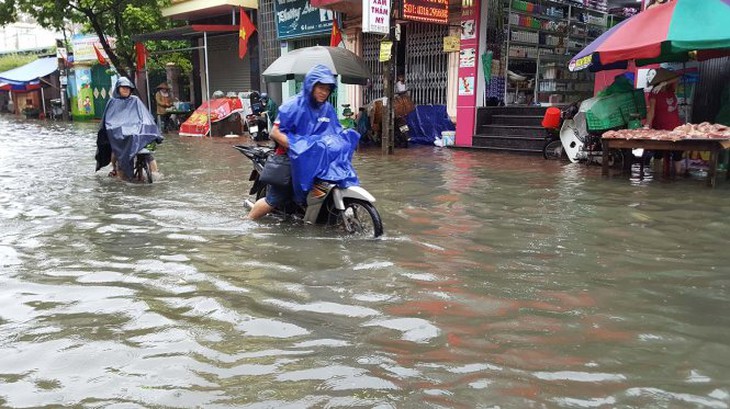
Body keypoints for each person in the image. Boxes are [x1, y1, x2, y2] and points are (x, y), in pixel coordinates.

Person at [246, 65, 340, 220]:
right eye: (320, 88)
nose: (324, 92)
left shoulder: (327, 109)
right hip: (289, 158)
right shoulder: (293, 105)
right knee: (275, 199)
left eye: (327, 89)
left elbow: (334, 131)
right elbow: (275, 132)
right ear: (311, 86)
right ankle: (248, 222)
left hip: (316, 159)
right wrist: (299, 147)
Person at [95, 77, 163, 180]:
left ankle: (155, 172)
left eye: (128, 88)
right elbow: (109, 120)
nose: (126, 90)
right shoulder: (112, 102)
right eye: (123, 88)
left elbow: (144, 116)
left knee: (148, 150)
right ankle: (115, 169)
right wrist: (116, 128)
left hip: (135, 130)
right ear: (118, 88)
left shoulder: (135, 100)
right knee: (115, 150)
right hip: (118, 132)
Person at [644, 67, 683, 175]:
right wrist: (647, 126)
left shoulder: (671, 89)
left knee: (678, 153)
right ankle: (657, 174)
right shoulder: (654, 93)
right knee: (659, 152)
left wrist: (665, 82)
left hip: (676, 128)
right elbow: (651, 111)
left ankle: (678, 175)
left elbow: (677, 78)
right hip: (660, 128)